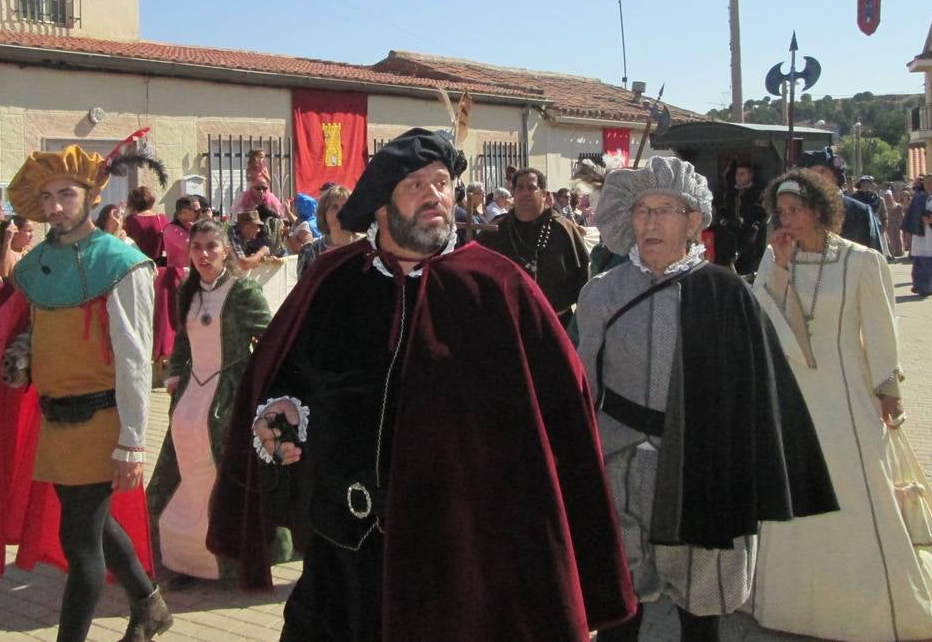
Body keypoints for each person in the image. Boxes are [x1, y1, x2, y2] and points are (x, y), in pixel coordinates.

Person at [208, 127, 636, 641]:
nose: (435, 194)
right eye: (416, 185)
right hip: (344, 552)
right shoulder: (334, 282)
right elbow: (283, 380)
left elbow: (562, 417)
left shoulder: (498, 288)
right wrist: (282, 419)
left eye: (442, 183)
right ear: (381, 208)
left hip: (461, 561)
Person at [577, 157, 837, 642]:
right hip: (621, 469)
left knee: (701, 609)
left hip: (701, 473)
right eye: (641, 211)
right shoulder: (602, 295)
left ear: (694, 220)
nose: (650, 222)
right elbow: (582, 385)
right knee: (620, 603)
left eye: (665, 210)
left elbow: (756, 396)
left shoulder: (726, 293)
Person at [749, 169, 932, 640]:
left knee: (858, 487)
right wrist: (782, 268)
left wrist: (888, 388)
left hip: (847, 394)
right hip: (792, 396)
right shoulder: (774, 260)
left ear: (820, 210)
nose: (786, 220)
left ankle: (888, 605)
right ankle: (790, 604)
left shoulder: (861, 261)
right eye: (781, 212)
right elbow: (761, 318)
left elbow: (882, 331)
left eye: (795, 210)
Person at [0, 145, 171, 642]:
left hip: (101, 423)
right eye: (48, 197)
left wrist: (132, 441)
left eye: (67, 194)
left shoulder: (121, 263)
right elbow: (34, 332)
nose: (56, 206)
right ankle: (150, 604)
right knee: (91, 524)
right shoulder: (36, 265)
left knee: (78, 542)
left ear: (90, 194)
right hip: (55, 421)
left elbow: (134, 360)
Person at [146, 218, 285, 587]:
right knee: (186, 475)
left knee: (224, 477)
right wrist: (175, 373)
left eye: (212, 247)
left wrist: (254, 384)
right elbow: (182, 342)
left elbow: (269, 340)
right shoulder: (188, 291)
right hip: (192, 396)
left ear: (227, 251)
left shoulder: (244, 292)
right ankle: (187, 558)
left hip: (230, 399)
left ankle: (230, 558)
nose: (204, 255)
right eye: (197, 247)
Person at [478, 167, 590, 327]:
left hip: (556, 324)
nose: (525, 193)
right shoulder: (495, 230)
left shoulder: (563, 228)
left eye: (531, 187)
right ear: (513, 193)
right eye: (520, 188)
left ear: (544, 194)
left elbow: (583, 282)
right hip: (508, 326)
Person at [797, 148, 882, 251]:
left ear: (835, 175)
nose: (817, 177)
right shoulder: (796, 212)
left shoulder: (860, 212)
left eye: (822, 171)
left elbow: (875, 257)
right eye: (811, 173)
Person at [295, 183, 359, 277]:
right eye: (334, 207)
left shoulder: (368, 248)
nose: (340, 212)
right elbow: (304, 289)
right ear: (324, 215)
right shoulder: (310, 252)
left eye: (346, 206)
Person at [716, 161, 768, 275]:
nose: (738, 177)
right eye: (736, 174)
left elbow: (760, 213)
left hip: (749, 235)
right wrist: (725, 221)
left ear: (750, 175)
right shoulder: (729, 193)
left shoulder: (757, 193)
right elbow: (722, 210)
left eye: (742, 174)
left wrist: (749, 225)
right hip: (731, 233)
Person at [124, 186, 168, 263]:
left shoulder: (130, 220)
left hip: (137, 263)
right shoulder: (162, 218)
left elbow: (124, 244)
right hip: (157, 264)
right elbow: (166, 245)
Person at [162, 196, 199, 269]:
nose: (199, 213)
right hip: (178, 275)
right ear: (184, 212)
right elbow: (195, 246)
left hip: (192, 274)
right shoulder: (171, 230)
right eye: (196, 211)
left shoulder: (190, 226)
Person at [882, 189, 905, 257]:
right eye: (886, 196)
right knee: (891, 238)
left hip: (897, 223)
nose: (888, 198)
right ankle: (892, 252)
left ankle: (900, 251)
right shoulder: (884, 205)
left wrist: (901, 222)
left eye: (889, 196)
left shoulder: (897, 205)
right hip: (889, 224)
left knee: (898, 237)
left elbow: (901, 215)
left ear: (891, 196)